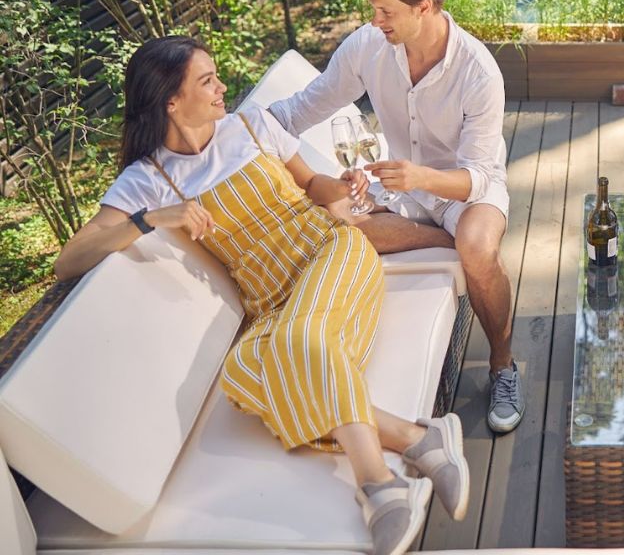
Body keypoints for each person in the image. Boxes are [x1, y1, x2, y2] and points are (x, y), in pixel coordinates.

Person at [54, 37, 468, 555]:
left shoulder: (252, 126)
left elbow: (314, 186)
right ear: (171, 101)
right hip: (269, 302)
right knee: (244, 373)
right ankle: (416, 438)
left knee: (301, 339)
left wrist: (340, 188)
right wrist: (149, 219)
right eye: (207, 81)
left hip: (329, 251)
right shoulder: (148, 180)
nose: (222, 86)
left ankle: (379, 485)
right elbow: (68, 259)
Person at [268, 0, 524, 434]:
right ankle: (448, 246)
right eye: (374, 10)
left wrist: (419, 177)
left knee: (476, 245)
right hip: (406, 191)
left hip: (466, 187)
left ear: (424, 7)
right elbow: (300, 110)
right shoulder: (368, 47)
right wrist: (233, 132)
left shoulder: (478, 72)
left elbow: (479, 177)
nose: (375, 20)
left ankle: (502, 365)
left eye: (386, 11)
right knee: (344, 225)